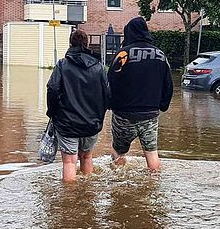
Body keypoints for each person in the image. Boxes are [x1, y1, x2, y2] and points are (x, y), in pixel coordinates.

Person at [108, 17, 173, 172]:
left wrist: (110, 104)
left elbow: (110, 82)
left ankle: (119, 182)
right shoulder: (160, 55)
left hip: (124, 114)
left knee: (118, 152)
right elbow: (168, 85)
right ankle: (154, 186)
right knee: (151, 154)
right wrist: (163, 105)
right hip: (150, 114)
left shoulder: (122, 54)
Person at [46, 29, 110, 182]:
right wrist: (100, 114)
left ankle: (70, 198)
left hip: (67, 123)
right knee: (87, 157)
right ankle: (87, 193)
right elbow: (107, 94)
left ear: (70, 43)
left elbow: (53, 89)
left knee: (69, 161)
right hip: (92, 122)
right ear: (86, 44)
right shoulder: (99, 67)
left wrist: (52, 113)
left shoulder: (62, 65)